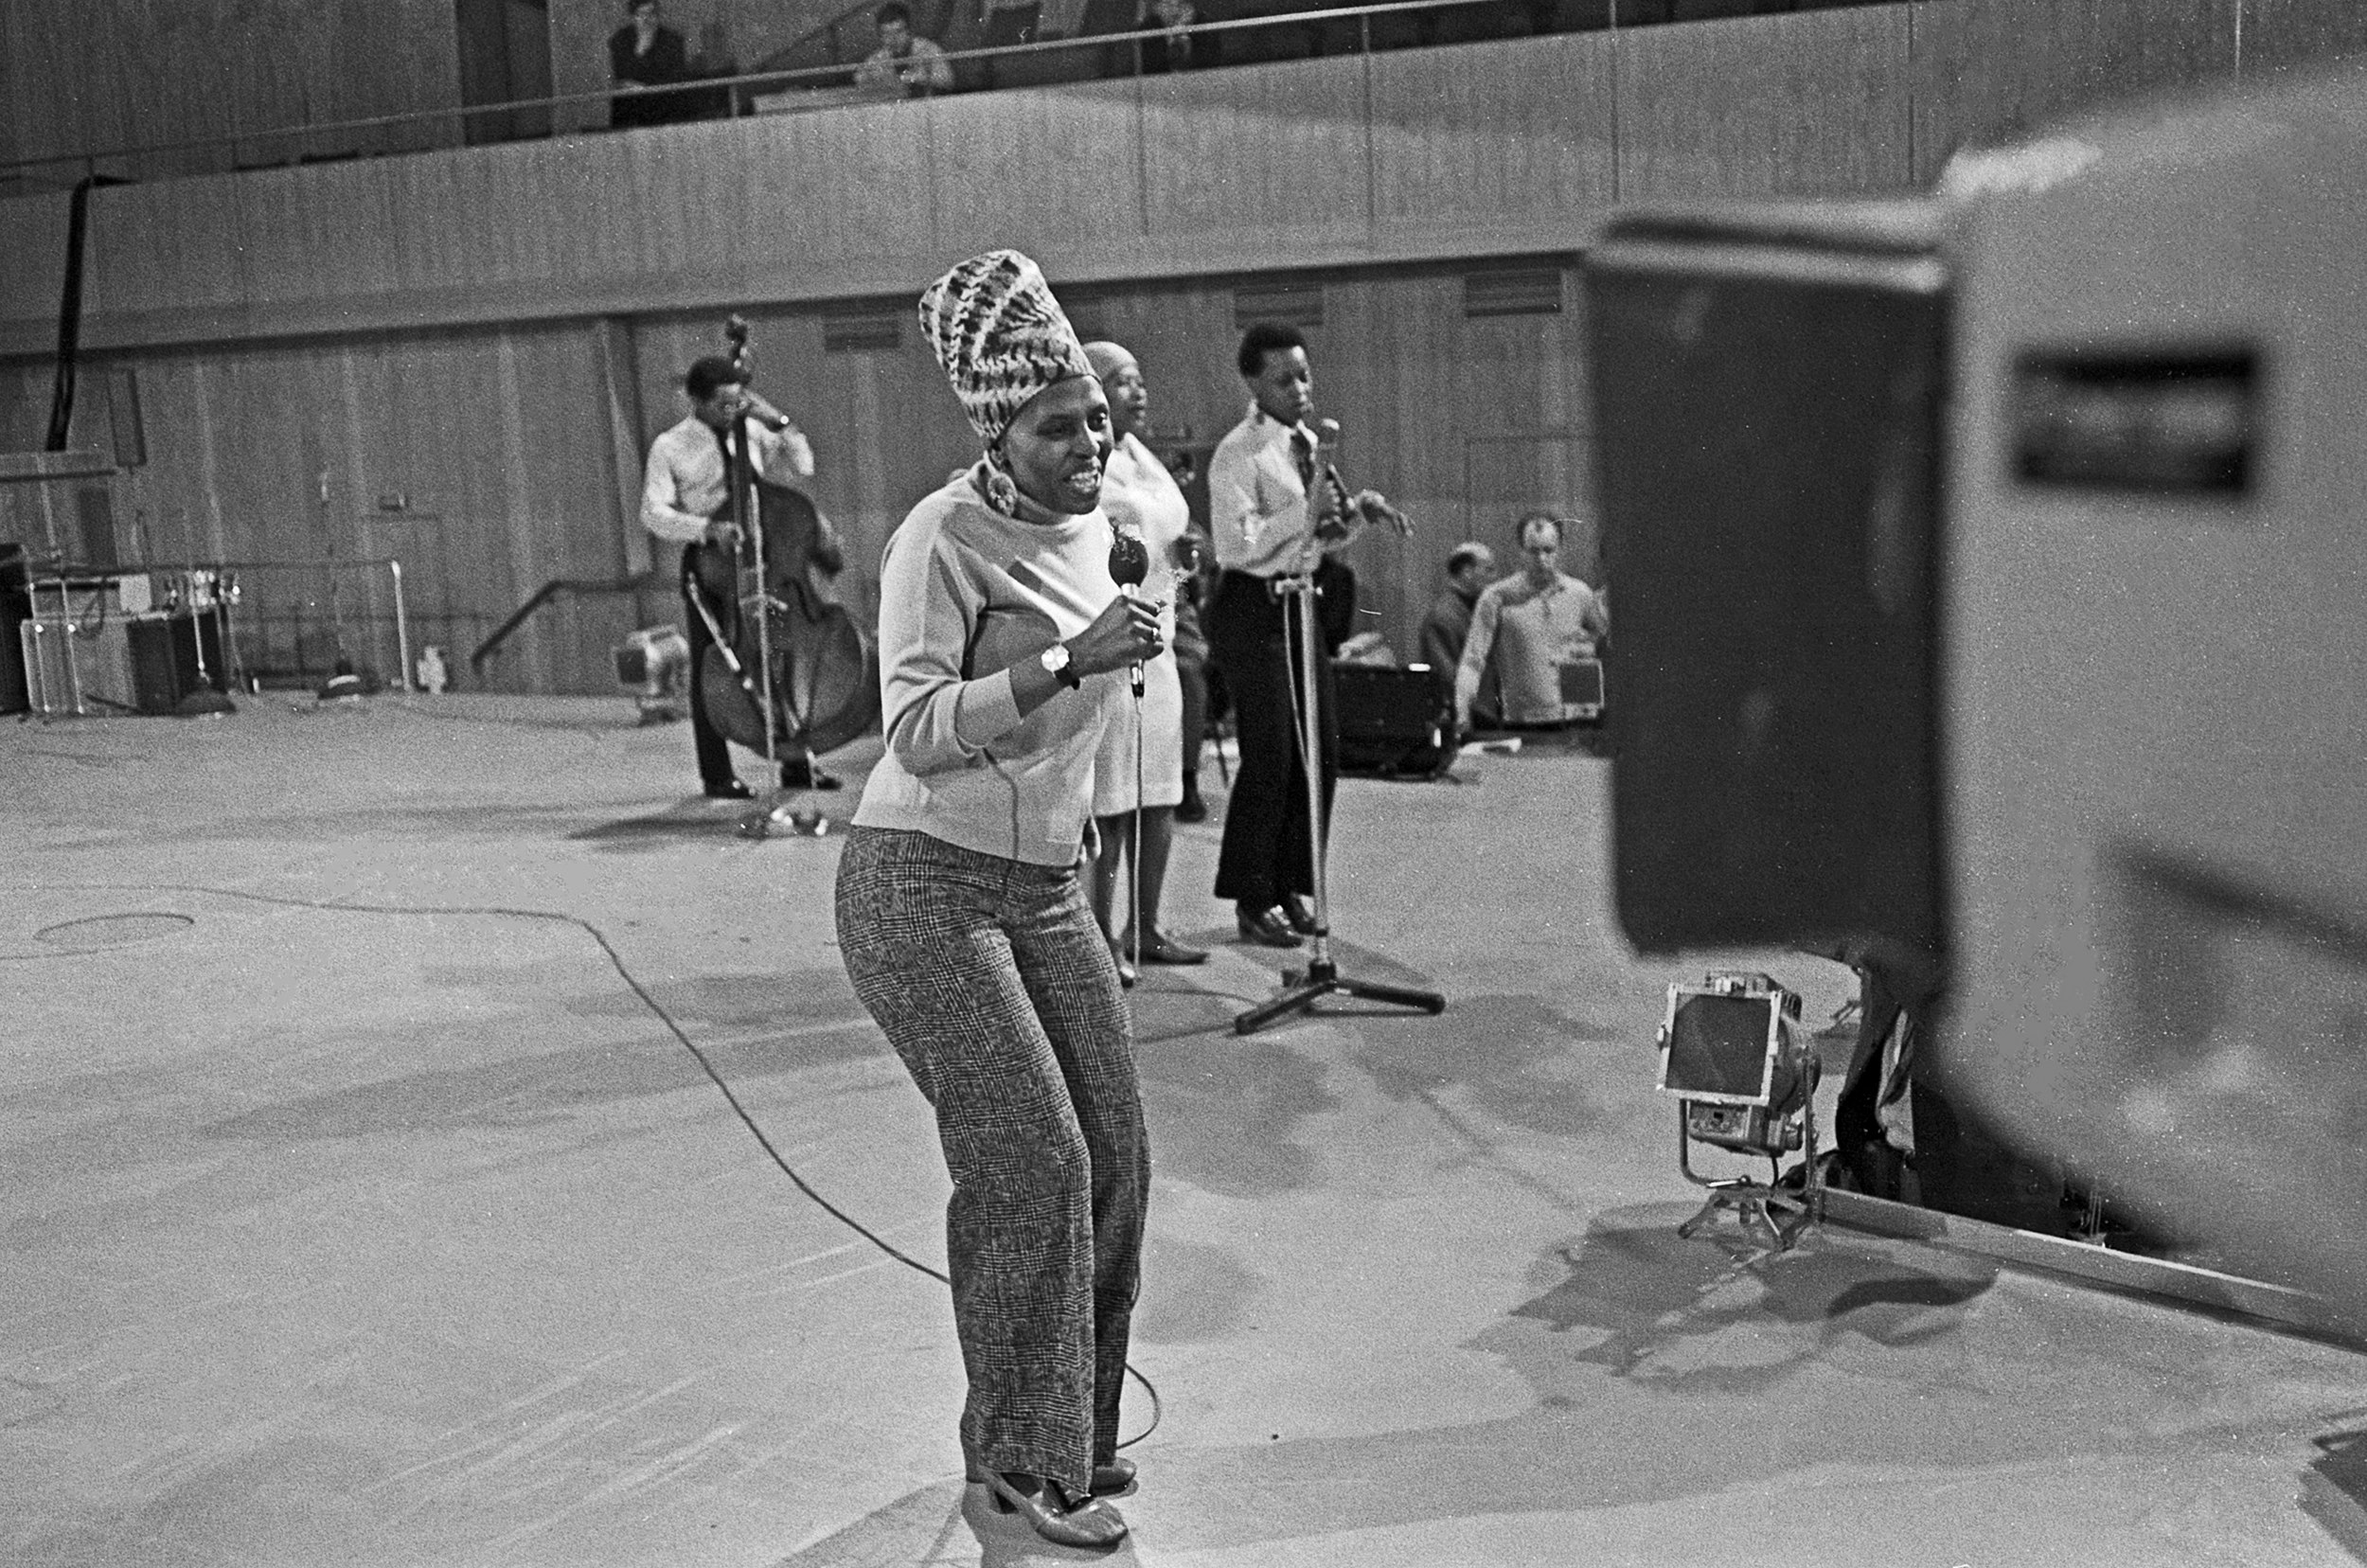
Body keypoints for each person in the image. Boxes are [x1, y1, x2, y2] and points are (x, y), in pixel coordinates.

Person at [833, 250, 1164, 1551]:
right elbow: (913, 731)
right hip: (920, 887)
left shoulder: (1099, 520)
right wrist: (1071, 661)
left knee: (1118, 1160)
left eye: (1093, 416)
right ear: (996, 430)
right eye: (1056, 425)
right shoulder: (940, 537)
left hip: (1046, 888)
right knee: (1034, 1161)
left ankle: (1068, 1433)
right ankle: (1016, 1468)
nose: (1087, 441)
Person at [1205, 321, 1410, 948]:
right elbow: (1236, 546)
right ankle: (1251, 894)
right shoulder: (1238, 453)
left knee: (1317, 751)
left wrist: (1354, 520)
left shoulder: (1304, 446)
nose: (1300, 388)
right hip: (1252, 609)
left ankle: (1292, 883)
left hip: (1301, 604)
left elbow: (1311, 543)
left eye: (1304, 374)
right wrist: (1309, 505)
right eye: (1283, 379)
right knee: (1271, 752)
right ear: (1253, 383)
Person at [639, 354, 840, 796]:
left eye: (738, 403)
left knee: (785, 658)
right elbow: (653, 513)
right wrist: (706, 528)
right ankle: (717, 775)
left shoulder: (750, 430)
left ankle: (796, 766)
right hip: (711, 564)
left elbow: (803, 464)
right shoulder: (670, 446)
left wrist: (778, 420)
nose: (732, 413)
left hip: (766, 558)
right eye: (722, 406)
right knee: (712, 664)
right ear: (696, 401)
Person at [1082, 340, 1209, 986]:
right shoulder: (1089, 464)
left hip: (1158, 636)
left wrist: (1184, 549)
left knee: (1160, 791)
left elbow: (1162, 530)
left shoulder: (1142, 458)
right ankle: (1100, 936)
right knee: (1112, 799)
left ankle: (1148, 925)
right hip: (1111, 641)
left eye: (1140, 380)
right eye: (1125, 383)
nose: (1141, 393)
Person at [1454, 511, 1610, 734]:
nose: (1542, 559)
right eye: (1533, 551)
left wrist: (1588, 650)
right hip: (1523, 722)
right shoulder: (1496, 597)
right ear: (1521, 551)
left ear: (1560, 549)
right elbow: (1472, 660)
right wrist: (1462, 711)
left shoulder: (1580, 594)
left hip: (1577, 722)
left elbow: (1605, 644)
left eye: (1549, 550)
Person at [1418, 542, 1498, 725]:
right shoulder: (1441, 618)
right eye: (1488, 570)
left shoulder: (1473, 609)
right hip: (1470, 719)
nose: (1495, 578)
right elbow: (1448, 679)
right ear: (1467, 571)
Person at [608, 0, 693, 129]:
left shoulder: (672, 40)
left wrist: (647, 88)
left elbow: (678, 78)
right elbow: (622, 75)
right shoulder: (620, 40)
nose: (646, 19)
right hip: (631, 110)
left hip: (664, 106)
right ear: (632, 17)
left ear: (658, 15)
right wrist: (640, 50)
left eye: (651, 13)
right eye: (641, 14)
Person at [857, 3, 955, 97]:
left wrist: (919, 78)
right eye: (887, 34)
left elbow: (947, 80)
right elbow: (860, 84)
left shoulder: (928, 49)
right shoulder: (876, 59)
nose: (893, 38)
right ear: (880, 36)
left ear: (909, 31)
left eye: (898, 31)